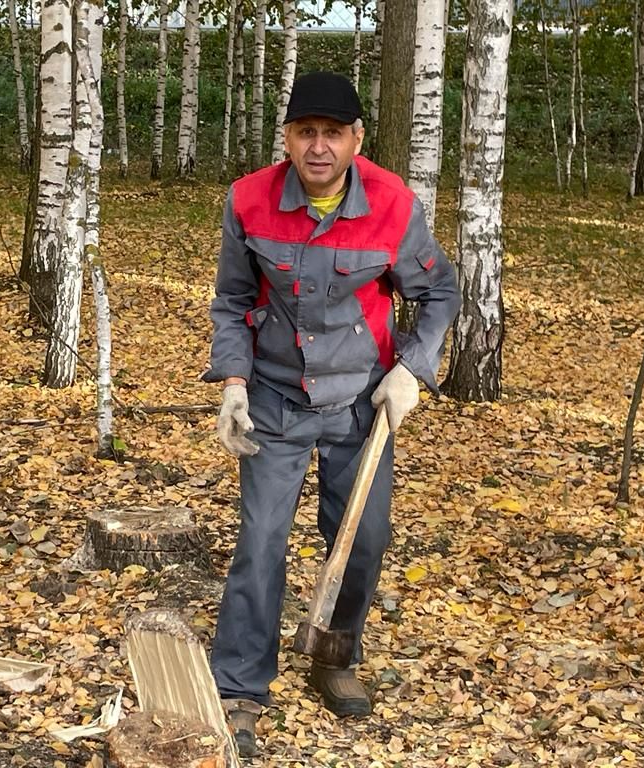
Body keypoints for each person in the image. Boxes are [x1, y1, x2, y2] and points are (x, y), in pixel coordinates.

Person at [202, 71, 460, 757]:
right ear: (285, 137)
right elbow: (231, 300)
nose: (319, 147)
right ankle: (238, 686)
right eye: (305, 132)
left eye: (333, 133)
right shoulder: (249, 200)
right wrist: (232, 382)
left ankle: (333, 657)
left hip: (359, 405)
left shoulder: (392, 204)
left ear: (356, 140)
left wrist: (411, 369)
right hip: (276, 399)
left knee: (364, 541)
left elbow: (438, 292)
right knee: (260, 545)